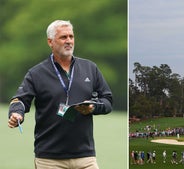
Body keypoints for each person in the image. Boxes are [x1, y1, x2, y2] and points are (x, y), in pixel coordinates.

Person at [7, 20, 113, 169]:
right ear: (50, 42)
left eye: (71, 36)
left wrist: (93, 107)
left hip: (85, 156)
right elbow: (20, 100)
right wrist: (16, 113)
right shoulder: (36, 73)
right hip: (49, 159)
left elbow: (107, 100)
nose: (69, 41)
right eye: (63, 37)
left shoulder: (90, 68)